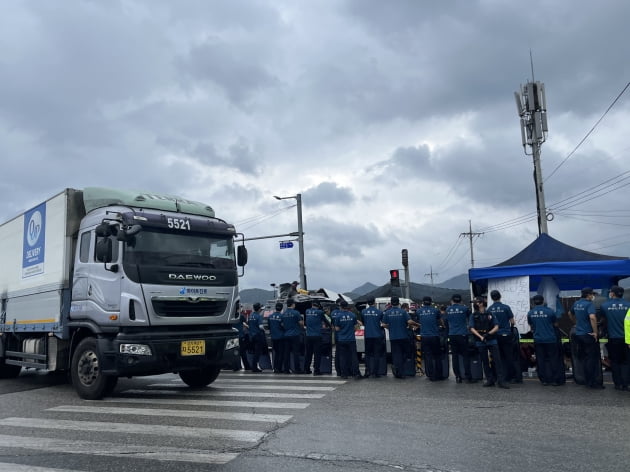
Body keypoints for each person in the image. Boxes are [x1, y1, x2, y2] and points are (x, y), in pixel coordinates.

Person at [470, 297, 509, 389]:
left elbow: (496, 326)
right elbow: (471, 328)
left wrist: (488, 334)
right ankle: (490, 379)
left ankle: (500, 381)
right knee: (485, 361)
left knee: (497, 360)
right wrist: (480, 336)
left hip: (491, 339)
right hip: (480, 341)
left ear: (482, 303)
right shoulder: (473, 315)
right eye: (475, 303)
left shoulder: (490, 313)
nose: (476, 304)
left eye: (478, 302)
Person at [569, 287, 604, 389]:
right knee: (591, 359)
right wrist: (595, 332)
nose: (592, 296)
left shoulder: (576, 303)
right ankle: (592, 382)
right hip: (588, 334)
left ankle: (585, 380)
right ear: (588, 295)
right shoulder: (589, 304)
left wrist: (576, 323)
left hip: (578, 334)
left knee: (584, 358)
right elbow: (592, 317)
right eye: (592, 294)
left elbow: (570, 313)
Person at [527, 294, 563, 386]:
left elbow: (531, 326)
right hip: (550, 339)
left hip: (538, 339)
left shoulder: (530, 313)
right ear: (543, 301)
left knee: (541, 360)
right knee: (553, 359)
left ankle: (544, 380)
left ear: (534, 302)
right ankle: (555, 380)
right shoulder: (550, 311)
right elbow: (556, 324)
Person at [599, 285, 630, 390]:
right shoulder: (628, 305)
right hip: (627, 339)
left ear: (612, 293)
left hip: (613, 338)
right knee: (626, 361)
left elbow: (602, 320)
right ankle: (626, 384)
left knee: (615, 361)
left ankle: (617, 383)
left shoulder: (604, 306)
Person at [382, 296, 419, 379]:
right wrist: (418, 325)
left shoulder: (387, 313)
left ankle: (397, 371)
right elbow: (409, 321)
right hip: (403, 336)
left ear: (391, 303)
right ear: (399, 303)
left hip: (393, 337)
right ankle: (402, 371)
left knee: (396, 355)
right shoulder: (403, 312)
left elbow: (383, 324)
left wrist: (389, 327)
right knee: (404, 354)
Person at [488, 290, 517, 384]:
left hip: (495, 336)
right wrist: (511, 329)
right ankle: (511, 377)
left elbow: (489, 323)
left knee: (497, 357)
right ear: (500, 296)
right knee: (509, 356)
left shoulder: (489, 309)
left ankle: (498, 377)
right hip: (506, 334)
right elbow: (512, 322)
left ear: (492, 298)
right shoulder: (506, 307)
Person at [445, 294, 472, 383]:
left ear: (452, 300)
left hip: (452, 334)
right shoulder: (464, 309)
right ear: (460, 301)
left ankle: (458, 377)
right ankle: (468, 376)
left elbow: (446, 322)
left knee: (455, 356)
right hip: (463, 334)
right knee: (465, 356)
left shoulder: (448, 310)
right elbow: (470, 319)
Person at [417, 296, 445, 381]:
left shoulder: (419, 311)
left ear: (423, 302)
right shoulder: (436, 311)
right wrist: (443, 326)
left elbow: (419, 321)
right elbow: (440, 321)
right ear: (431, 302)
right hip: (434, 336)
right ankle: (439, 375)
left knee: (428, 356)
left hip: (424, 337)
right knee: (437, 356)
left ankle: (430, 375)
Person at [333, 300, 362, 379]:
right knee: (353, 356)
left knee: (343, 357)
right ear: (347, 306)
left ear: (340, 307)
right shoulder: (352, 315)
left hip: (342, 339)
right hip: (351, 339)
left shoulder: (338, 316)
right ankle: (356, 373)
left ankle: (344, 374)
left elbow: (337, 328)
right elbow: (356, 327)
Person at [361, 297, 385, 378]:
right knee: (376, 354)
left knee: (367, 354)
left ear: (367, 303)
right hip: (377, 335)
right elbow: (382, 323)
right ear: (374, 302)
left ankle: (367, 371)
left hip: (368, 335)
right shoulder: (379, 312)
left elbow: (364, 322)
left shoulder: (363, 312)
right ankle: (376, 372)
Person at [304, 301, 328, 375]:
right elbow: (326, 321)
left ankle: (306, 369)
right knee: (317, 354)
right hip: (317, 336)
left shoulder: (307, 311)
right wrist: (329, 326)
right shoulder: (320, 312)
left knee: (308, 353)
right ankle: (316, 370)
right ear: (318, 306)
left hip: (308, 336)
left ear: (312, 305)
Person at [281, 298, 304, 374]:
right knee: (295, 353)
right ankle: (297, 369)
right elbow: (301, 323)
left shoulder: (283, 314)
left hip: (286, 335)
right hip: (295, 335)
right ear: (293, 304)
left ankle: (286, 369)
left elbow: (282, 324)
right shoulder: (296, 313)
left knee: (286, 353)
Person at [247, 303, 267, 372]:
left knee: (254, 352)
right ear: (259, 309)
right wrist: (265, 330)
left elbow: (248, 325)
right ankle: (254, 367)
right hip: (258, 336)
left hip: (252, 336)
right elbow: (260, 326)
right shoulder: (258, 316)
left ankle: (253, 366)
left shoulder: (251, 316)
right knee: (257, 352)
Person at [267, 302, 285, 373]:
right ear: (281, 308)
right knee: (280, 353)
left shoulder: (270, 316)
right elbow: (283, 326)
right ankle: (279, 368)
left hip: (273, 337)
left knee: (275, 353)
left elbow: (268, 326)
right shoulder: (282, 316)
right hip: (281, 337)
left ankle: (275, 367)